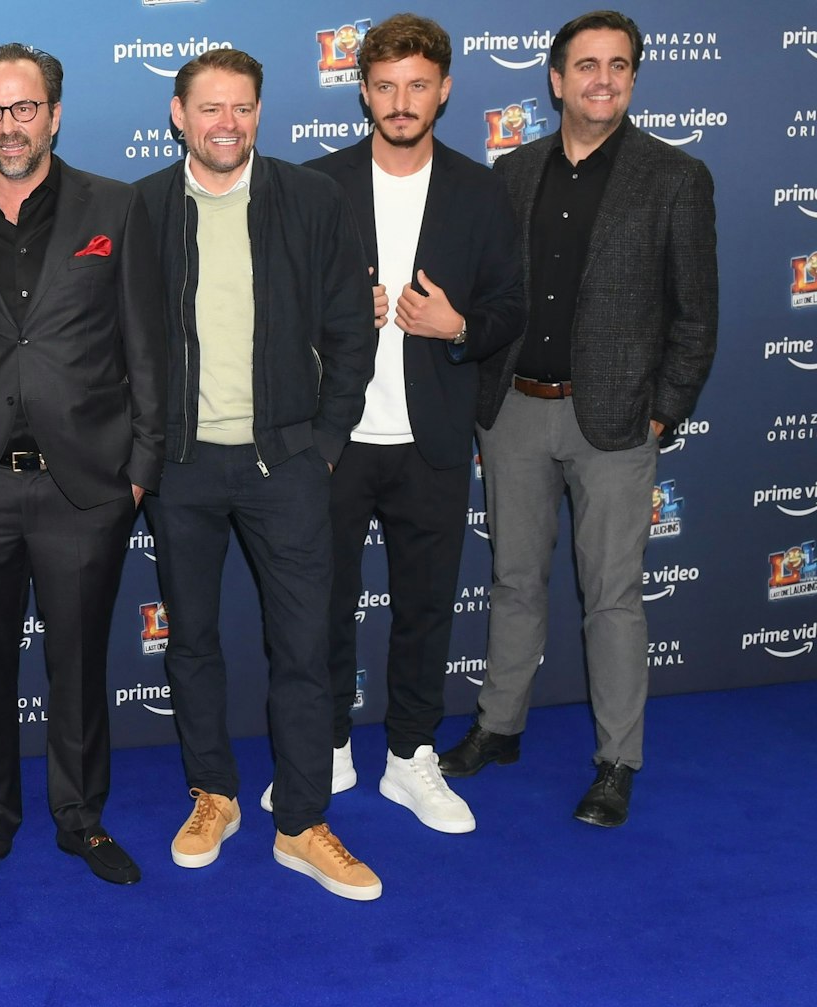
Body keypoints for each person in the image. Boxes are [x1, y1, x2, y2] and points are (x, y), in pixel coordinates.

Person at [443, 10, 717, 828]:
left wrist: (662, 413)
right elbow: (493, 297)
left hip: (616, 425)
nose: (603, 78)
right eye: (587, 65)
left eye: (619, 66)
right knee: (514, 580)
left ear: (633, 78)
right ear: (556, 79)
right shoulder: (513, 172)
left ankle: (616, 761)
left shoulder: (676, 178)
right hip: (515, 413)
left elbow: (695, 316)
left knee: (614, 598)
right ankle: (499, 726)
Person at [0, 43, 165, 893]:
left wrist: (139, 468)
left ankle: (82, 818)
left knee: (81, 663)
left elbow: (147, 344)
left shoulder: (117, 207)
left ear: (54, 113)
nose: (9, 126)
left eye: (24, 108)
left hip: (85, 485)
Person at [135, 49, 382, 899]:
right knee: (193, 643)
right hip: (184, 467)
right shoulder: (144, 210)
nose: (226, 124)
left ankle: (303, 822)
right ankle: (215, 794)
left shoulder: (310, 200)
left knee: (305, 648)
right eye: (210, 109)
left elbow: (354, 325)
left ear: (259, 116)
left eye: (242, 108)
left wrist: (326, 439)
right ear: (179, 115)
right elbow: (123, 340)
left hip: (289, 464)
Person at [302, 13, 525, 834]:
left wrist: (457, 327)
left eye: (418, 85)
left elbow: (511, 308)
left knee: (427, 607)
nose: (402, 101)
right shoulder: (314, 184)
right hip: (335, 439)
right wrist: (330, 318)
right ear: (362, 91)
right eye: (386, 86)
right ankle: (324, 748)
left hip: (432, 436)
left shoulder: (481, 188)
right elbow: (271, 313)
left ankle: (409, 756)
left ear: (445, 90)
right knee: (321, 605)